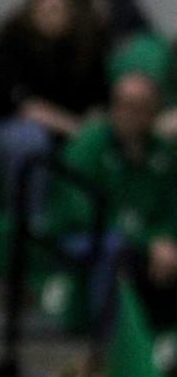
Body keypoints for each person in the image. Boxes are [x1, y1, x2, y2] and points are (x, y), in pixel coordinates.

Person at [0, 0, 108, 218]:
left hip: (61, 137)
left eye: (59, 8)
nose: (51, 13)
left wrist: (91, 127)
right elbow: (26, 108)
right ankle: (26, 227)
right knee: (28, 138)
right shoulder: (12, 40)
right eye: (45, 6)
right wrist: (77, 128)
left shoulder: (86, 51)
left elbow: (99, 105)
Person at [52, 70, 177, 330]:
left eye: (139, 107)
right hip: (78, 237)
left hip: (142, 244)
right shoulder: (89, 143)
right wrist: (148, 242)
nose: (129, 114)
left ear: (154, 113)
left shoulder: (164, 153)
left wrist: (166, 241)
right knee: (114, 247)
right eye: (123, 105)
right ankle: (109, 343)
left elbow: (171, 210)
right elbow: (83, 212)